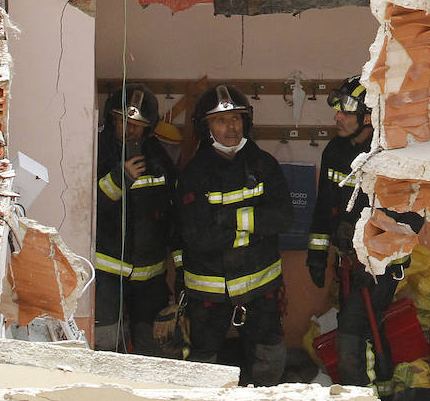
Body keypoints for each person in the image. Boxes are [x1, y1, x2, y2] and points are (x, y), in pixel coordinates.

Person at [307, 76, 423, 389]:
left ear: (369, 116)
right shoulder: (333, 152)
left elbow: (411, 220)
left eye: (346, 110)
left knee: (353, 328)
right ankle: (375, 386)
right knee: (362, 326)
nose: (337, 117)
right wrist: (316, 255)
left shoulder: (393, 157)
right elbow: (323, 208)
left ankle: (363, 392)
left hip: (379, 268)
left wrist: (375, 258)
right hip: (346, 264)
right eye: (338, 109)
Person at [176, 84, 292, 385]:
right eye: (221, 120)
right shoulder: (193, 174)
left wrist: (230, 219)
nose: (232, 126)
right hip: (209, 290)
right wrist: (253, 224)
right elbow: (197, 238)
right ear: (206, 126)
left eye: (237, 118)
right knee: (203, 363)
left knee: (270, 354)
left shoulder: (265, 165)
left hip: (260, 286)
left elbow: (283, 218)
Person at [94, 83, 175, 356]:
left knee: (150, 348)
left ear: (149, 127)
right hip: (107, 272)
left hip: (150, 276)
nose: (128, 129)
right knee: (105, 344)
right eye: (121, 120)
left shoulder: (158, 156)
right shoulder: (96, 151)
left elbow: (172, 212)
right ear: (110, 118)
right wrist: (119, 180)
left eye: (136, 124)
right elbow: (85, 208)